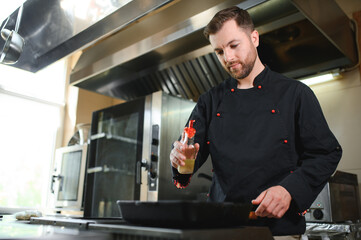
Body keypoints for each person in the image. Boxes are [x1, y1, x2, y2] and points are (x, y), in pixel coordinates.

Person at [169, 6, 342, 237]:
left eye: (233, 45)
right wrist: (179, 159)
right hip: (220, 229)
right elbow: (186, 165)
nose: (228, 58)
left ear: (254, 38)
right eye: (219, 51)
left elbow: (326, 153)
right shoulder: (209, 101)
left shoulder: (296, 94)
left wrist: (288, 190)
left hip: (278, 231)